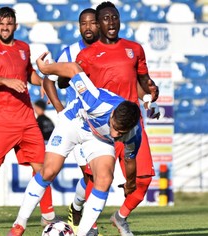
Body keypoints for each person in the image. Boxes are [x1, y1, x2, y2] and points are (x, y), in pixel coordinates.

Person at [8, 52, 142, 236]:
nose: (115, 134)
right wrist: (46, 68)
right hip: (75, 122)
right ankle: (19, 224)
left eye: (120, 133)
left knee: (104, 179)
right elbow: (73, 69)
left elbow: (130, 160)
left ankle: (82, 233)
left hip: (99, 140)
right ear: (112, 115)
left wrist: (131, 183)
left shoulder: (134, 133)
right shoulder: (95, 100)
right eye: (114, 127)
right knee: (49, 171)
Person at [0, 6, 59, 231]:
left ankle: (48, 216)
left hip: (27, 119)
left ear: (15, 26)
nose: (5, 27)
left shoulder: (23, 48)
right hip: (1, 121)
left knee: (43, 168)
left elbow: (29, 74)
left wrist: (45, 83)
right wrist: (7, 81)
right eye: (1, 24)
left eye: (9, 24)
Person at [75, 2, 159, 235]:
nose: (111, 22)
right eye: (105, 19)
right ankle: (88, 226)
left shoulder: (134, 49)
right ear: (99, 23)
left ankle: (120, 217)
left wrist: (151, 95)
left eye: (114, 17)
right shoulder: (86, 55)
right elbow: (74, 83)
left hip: (132, 126)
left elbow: (144, 83)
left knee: (141, 182)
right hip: (102, 127)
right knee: (97, 179)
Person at [42, 8, 100, 233]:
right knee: (92, 172)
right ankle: (89, 225)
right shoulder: (71, 52)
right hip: (78, 122)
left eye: (92, 23)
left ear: (99, 25)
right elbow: (48, 81)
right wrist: (60, 111)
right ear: (79, 27)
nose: (88, 27)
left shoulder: (107, 50)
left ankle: (76, 207)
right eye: (83, 23)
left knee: (96, 174)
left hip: (102, 122)